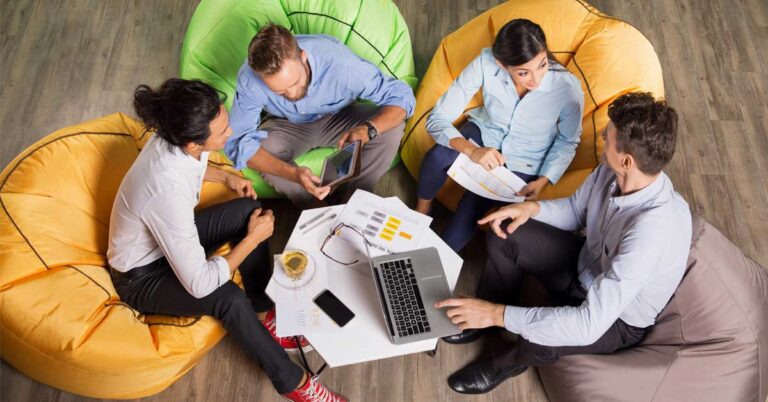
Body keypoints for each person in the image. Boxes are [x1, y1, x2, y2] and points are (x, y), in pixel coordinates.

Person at [107, 78, 346, 402]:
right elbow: (201, 284)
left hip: (162, 240)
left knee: (248, 210)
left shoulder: (173, 137)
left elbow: (192, 167)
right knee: (229, 298)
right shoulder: (167, 189)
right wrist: (254, 238)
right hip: (142, 276)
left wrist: (225, 176)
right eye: (221, 133)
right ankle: (295, 383)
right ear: (193, 143)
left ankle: (264, 313)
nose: (229, 133)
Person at [435, 92, 691, 395]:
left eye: (607, 136)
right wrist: (533, 209)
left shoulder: (652, 233)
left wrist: (497, 313)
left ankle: (504, 362)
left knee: (541, 335)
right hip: (583, 266)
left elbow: (588, 325)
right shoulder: (612, 170)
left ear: (627, 160)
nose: (600, 135)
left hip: (616, 318)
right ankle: (484, 316)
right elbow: (574, 211)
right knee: (504, 227)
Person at [415, 19, 584, 252]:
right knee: (437, 156)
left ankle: (438, 258)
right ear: (502, 64)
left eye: (543, 64)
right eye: (524, 73)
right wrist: (472, 150)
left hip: (526, 158)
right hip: (486, 131)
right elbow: (437, 118)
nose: (536, 79)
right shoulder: (486, 62)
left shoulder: (567, 87)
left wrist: (543, 180)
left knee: (472, 206)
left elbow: (567, 141)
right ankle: (421, 213)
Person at [226, 24, 415, 207]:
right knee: (262, 151)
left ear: (303, 57)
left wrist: (368, 129)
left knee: (391, 129)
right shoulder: (251, 79)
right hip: (288, 125)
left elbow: (402, 98)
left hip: (339, 117)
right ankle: (316, 209)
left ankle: (355, 200)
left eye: (295, 82)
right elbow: (239, 143)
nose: (292, 95)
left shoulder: (342, 65)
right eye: (281, 92)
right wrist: (293, 174)